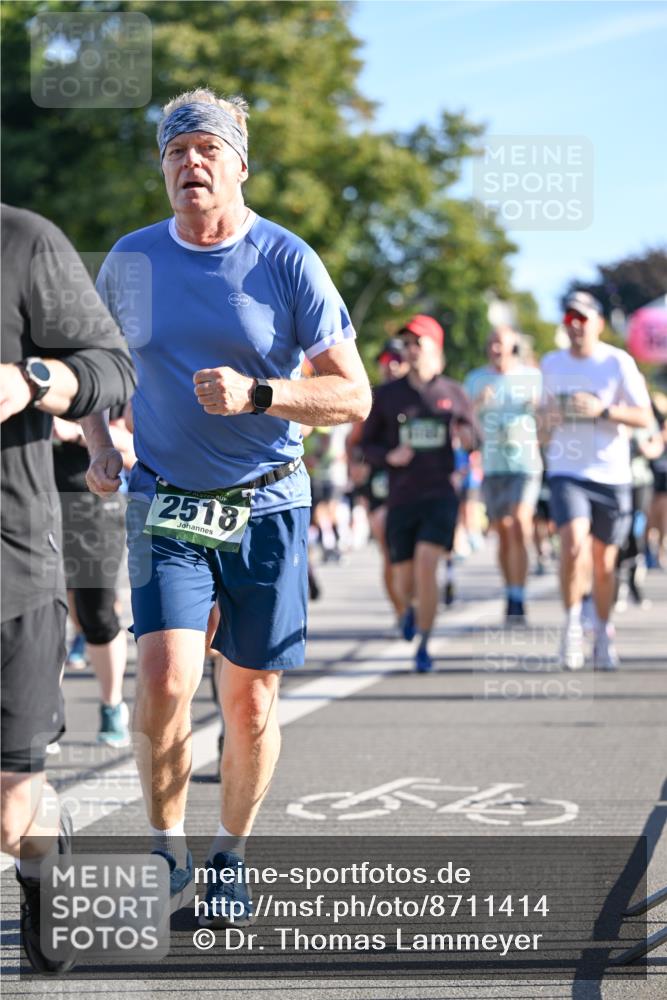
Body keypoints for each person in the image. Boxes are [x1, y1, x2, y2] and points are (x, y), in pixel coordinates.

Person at [83, 89, 371, 923]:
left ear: (239, 165)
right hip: (165, 498)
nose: (190, 165)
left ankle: (229, 854)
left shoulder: (286, 260)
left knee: (247, 702)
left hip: (267, 502)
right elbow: (97, 367)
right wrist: (104, 441)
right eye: (175, 154)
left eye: (206, 150)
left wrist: (261, 394)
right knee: (167, 675)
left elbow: (350, 395)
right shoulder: (132, 260)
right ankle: (165, 844)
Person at [0, 203, 136, 974]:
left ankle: (42, 854)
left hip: (11, 564)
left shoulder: (24, 242)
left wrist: (32, 380)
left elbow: (111, 364)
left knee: (11, 806)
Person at [539, 291, 652, 670]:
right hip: (566, 472)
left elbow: (644, 417)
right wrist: (547, 417)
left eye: (582, 318)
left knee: (605, 564)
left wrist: (603, 410)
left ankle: (602, 631)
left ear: (598, 323)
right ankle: (571, 629)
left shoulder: (617, 362)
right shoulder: (551, 363)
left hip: (612, 475)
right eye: (568, 317)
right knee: (572, 545)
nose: (574, 324)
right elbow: (541, 430)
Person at [361, 314, 475, 673]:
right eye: (406, 344)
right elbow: (366, 446)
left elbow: (474, 434)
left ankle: (425, 644)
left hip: (440, 492)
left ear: (434, 347)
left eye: (417, 343)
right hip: (401, 496)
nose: (410, 350)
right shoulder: (387, 396)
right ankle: (407, 610)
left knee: (429, 565)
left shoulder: (452, 393)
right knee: (403, 577)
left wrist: (469, 438)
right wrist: (389, 456)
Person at [53, 406, 136, 746]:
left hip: (93, 506)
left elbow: (133, 447)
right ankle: (44, 712)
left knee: (96, 612)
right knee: (44, 613)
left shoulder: (105, 369)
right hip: (32, 503)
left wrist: (76, 431)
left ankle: (112, 704)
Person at [464, 327, 543, 625]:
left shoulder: (532, 377)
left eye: (502, 343)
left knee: (519, 523)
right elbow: (462, 424)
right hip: (493, 464)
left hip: (525, 464)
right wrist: (476, 405)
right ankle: (510, 590)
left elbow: (547, 415)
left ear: (514, 347)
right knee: (503, 531)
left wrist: (539, 409)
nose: (497, 348)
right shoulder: (474, 380)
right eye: (492, 342)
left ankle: (519, 595)